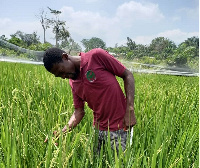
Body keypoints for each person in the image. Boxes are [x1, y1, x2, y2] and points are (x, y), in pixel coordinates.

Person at [43, 47, 136, 153]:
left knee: (120, 163)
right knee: (97, 162)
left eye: (61, 71)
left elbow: (127, 75)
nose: (63, 77)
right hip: (97, 129)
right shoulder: (73, 82)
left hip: (119, 127)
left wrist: (130, 109)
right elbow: (79, 111)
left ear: (65, 57)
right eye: (59, 76)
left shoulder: (96, 56)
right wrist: (62, 132)